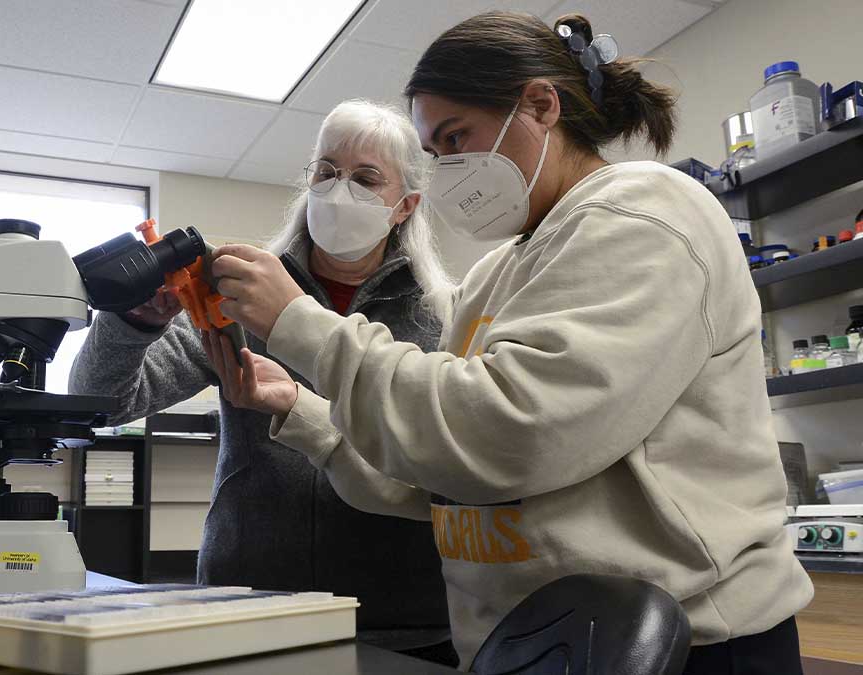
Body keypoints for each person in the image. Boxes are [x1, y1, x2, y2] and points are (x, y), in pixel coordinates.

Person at [202, 12, 812, 674]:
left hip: (679, 646)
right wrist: (303, 411)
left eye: (456, 137)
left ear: (541, 105)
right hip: (531, 644)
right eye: (436, 155)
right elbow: (450, 466)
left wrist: (299, 322)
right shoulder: (497, 272)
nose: (450, 169)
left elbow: (513, 433)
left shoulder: (644, 213)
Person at [69, 100, 458, 661]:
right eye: (326, 171)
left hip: (404, 618)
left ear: (405, 206)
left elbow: (448, 462)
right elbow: (98, 406)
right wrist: (133, 323)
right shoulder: (240, 293)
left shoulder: (443, 316)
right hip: (247, 600)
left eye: (366, 178)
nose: (338, 189)